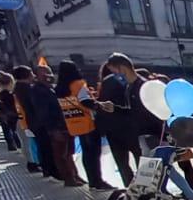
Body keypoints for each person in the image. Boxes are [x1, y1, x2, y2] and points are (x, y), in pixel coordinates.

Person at [54, 60, 111, 189]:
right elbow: (85, 101)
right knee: (94, 155)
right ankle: (97, 181)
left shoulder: (59, 90)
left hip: (73, 125)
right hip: (88, 123)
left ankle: (92, 180)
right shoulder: (79, 84)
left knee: (86, 154)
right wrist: (100, 105)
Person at [30, 63, 82, 186]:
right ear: (37, 75)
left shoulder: (51, 88)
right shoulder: (38, 90)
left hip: (64, 124)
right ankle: (68, 178)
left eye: (48, 71)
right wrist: (52, 128)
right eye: (43, 72)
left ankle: (74, 174)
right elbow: (43, 111)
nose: (47, 75)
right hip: (55, 126)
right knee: (61, 154)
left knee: (69, 152)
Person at [97, 54, 145, 182]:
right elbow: (133, 109)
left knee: (125, 164)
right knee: (140, 161)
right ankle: (141, 190)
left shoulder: (138, 85)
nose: (115, 75)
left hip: (124, 131)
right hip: (131, 129)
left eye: (115, 71)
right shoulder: (129, 85)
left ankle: (133, 188)